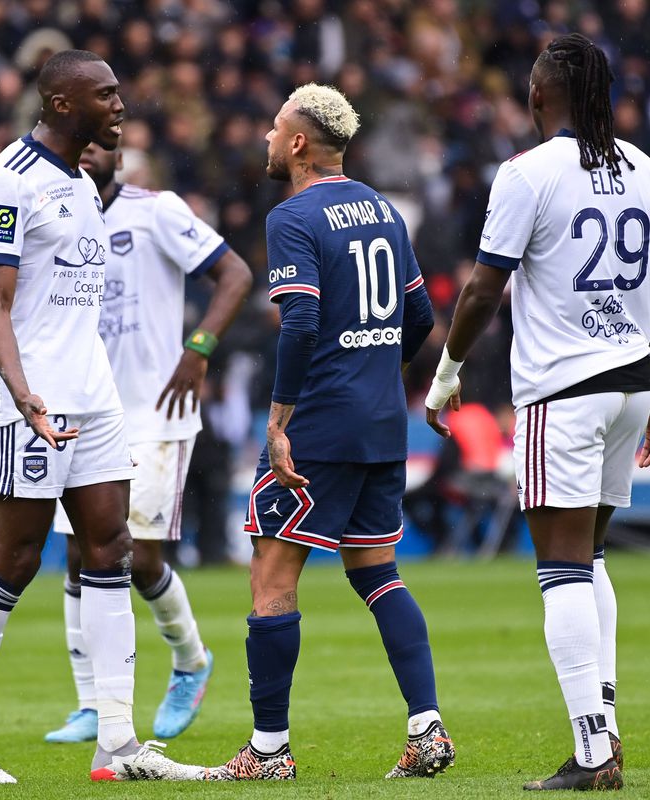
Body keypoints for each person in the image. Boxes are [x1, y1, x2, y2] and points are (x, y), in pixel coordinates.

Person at [0, 50, 200, 785]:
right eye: (106, 94)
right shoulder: (7, 182)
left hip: (95, 397)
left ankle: (117, 743)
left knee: (110, 547)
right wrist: (22, 395)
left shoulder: (79, 181)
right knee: (14, 559)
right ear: (62, 103)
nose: (120, 103)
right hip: (32, 402)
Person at [424, 34, 650, 790]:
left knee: (561, 569)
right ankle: (602, 734)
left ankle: (594, 752)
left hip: (562, 390)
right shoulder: (647, 168)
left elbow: (482, 289)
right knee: (592, 558)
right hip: (634, 382)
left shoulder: (526, 173)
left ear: (539, 97)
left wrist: (447, 371)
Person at [203, 83, 449, 782]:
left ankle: (269, 750)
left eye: (276, 129)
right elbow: (422, 321)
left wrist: (279, 423)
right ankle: (427, 729)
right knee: (377, 571)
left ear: (301, 144)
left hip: (319, 426)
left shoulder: (294, 215)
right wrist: (373, 372)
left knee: (272, 577)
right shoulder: (383, 209)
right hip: (380, 424)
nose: (268, 139)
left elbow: (303, 322)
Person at [45, 141, 253, 743]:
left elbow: (235, 274)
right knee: (79, 553)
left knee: (138, 555)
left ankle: (190, 660)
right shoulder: (59, 217)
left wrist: (200, 348)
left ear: (117, 152)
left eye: (96, 144)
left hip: (156, 412)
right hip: (85, 407)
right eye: (75, 144)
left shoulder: (156, 210)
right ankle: (90, 704)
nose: (85, 154)